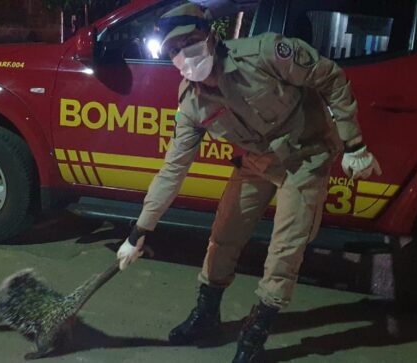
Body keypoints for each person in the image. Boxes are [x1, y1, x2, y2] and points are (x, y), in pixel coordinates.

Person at [116, 3, 382, 362]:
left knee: (284, 253)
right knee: (223, 235)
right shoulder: (192, 103)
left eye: (189, 42)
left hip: (306, 157)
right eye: (173, 51)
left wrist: (354, 144)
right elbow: (172, 170)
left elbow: (331, 77)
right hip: (256, 162)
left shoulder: (267, 54)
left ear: (211, 36)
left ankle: (256, 333)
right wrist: (139, 231)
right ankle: (206, 315)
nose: (183, 55)